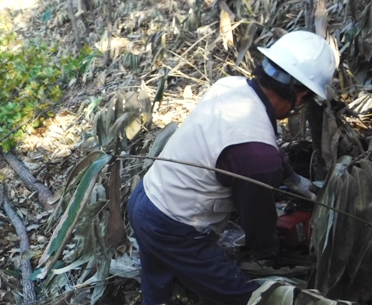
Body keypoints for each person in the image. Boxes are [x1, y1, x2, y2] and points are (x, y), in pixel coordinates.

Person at [127, 30, 336, 305]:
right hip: (174, 228)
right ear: (301, 96)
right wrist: (272, 250)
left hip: (145, 198)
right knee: (244, 298)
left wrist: (295, 179)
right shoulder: (257, 157)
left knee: (158, 290)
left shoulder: (230, 86)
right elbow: (258, 227)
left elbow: (253, 145)